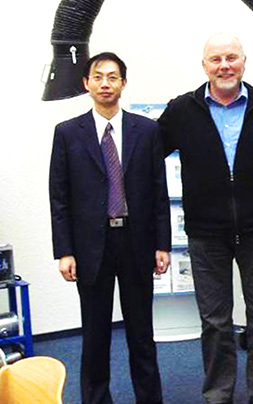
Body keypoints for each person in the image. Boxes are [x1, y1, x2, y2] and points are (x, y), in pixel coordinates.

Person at [158, 33, 253, 404]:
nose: (224, 66)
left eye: (231, 57)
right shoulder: (182, 110)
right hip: (206, 233)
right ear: (204, 66)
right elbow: (147, 154)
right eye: (215, 59)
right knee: (215, 321)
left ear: (244, 62)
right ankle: (219, 393)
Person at [49, 52, 171, 404]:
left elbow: (158, 191)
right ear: (86, 83)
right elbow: (59, 196)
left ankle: (150, 398)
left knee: (141, 333)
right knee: (95, 333)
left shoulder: (146, 130)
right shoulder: (67, 133)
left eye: (113, 77)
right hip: (90, 246)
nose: (105, 84)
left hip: (136, 241)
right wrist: (65, 251)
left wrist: (162, 243)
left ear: (123, 83)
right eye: (98, 77)